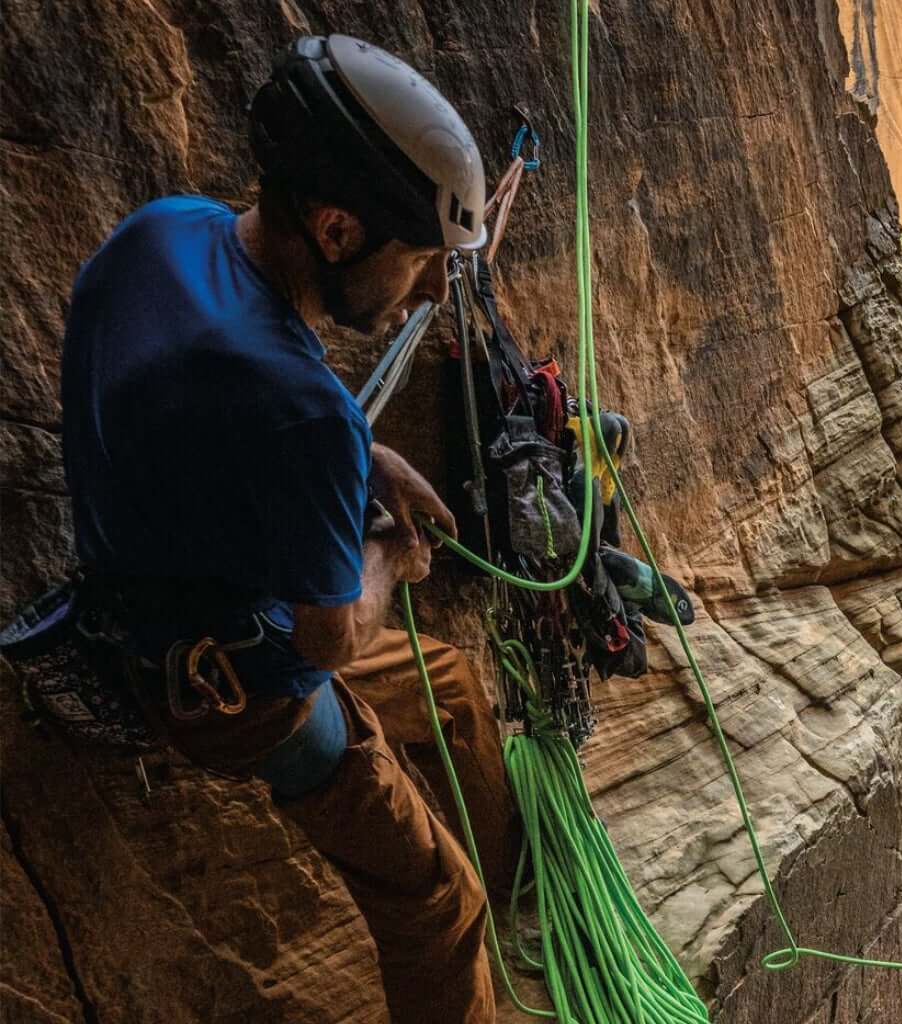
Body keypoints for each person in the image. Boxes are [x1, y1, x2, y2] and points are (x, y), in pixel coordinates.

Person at [59, 35, 514, 1023]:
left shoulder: (165, 231)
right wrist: (392, 555)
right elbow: (330, 635)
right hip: (234, 686)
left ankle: (515, 884)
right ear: (341, 229)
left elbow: (217, 394)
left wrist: (368, 456)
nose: (434, 290)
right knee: (438, 902)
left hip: (143, 579)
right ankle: (475, 908)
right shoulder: (298, 407)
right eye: (425, 260)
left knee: (457, 691)